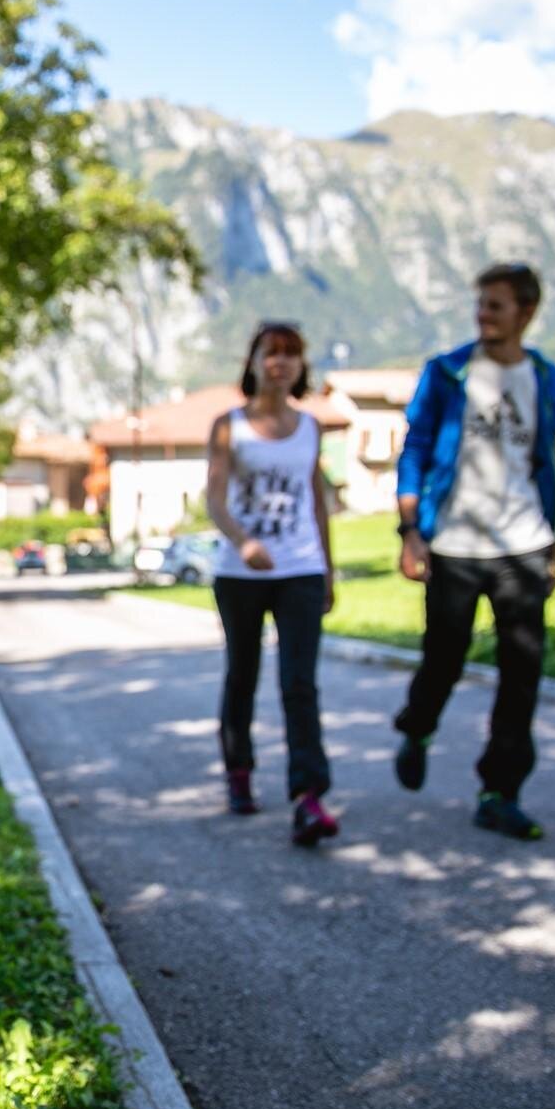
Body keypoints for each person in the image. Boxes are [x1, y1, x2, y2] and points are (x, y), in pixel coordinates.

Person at [392, 263, 555, 841]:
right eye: (481, 305)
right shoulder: (447, 372)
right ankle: (418, 726)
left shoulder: (545, 377)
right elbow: (415, 449)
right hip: (456, 544)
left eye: (495, 305)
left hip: (523, 544)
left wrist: (554, 543)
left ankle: (500, 791)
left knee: (523, 671)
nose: (483, 314)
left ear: (526, 311)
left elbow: (545, 463)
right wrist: (411, 530)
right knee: (444, 658)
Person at [205, 322, 338, 846]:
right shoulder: (228, 425)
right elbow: (214, 498)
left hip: (300, 569)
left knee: (299, 683)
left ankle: (308, 797)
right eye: (271, 353)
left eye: (292, 355)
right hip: (241, 573)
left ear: (302, 367)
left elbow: (316, 502)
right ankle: (239, 773)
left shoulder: (311, 428)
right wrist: (244, 543)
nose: (280, 363)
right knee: (243, 674)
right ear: (254, 361)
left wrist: (328, 568)